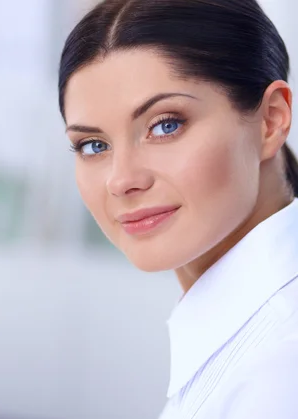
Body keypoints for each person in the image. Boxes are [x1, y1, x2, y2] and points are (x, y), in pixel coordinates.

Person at [58, 0, 298, 417]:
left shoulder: (279, 365)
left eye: (165, 125)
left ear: (270, 120)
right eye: (93, 145)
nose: (121, 180)